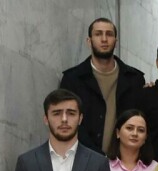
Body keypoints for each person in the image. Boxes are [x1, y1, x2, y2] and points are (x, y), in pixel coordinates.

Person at [60, 18, 146, 155]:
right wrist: (95, 156)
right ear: (89, 41)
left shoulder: (134, 78)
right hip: (82, 157)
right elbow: (68, 121)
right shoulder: (73, 79)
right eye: (98, 34)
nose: (104, 39)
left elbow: (140, 119)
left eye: (109, 34)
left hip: (123, 159)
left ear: (116, 42)